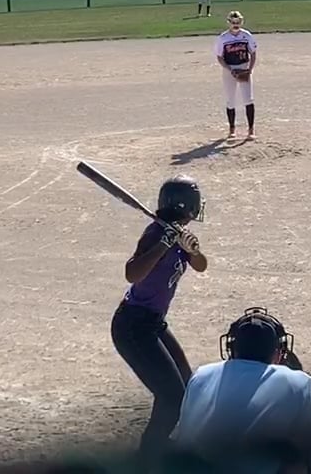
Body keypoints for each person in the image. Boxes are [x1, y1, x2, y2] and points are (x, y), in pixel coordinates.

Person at [111, 174, 209, 463]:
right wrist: (164, 243)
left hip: (153, 323)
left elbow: (201, 266)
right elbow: (132, 273)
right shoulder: (156, 234)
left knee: (187, 388)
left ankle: (165, 447)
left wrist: (193, 250)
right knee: (171, 396)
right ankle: (147, 457)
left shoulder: (178, 234)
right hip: (132, 326)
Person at [172, 306, 311, 474]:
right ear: (278, 354)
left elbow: (182, 439)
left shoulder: (201, 376)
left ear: (232, 350)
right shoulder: (300, 383)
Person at [215, 10, 259, 140]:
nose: (236, 25)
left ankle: (251, 130)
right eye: (233, 22)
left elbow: (253, 53)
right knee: (230, 99)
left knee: (248, 98)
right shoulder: (223, 38)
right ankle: (232, 129)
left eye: (238, 22)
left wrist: (249, 69)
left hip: (243, 67)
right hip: (229, 70)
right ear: (228, 22)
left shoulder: (247, 35)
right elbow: (219, 57)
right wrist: (229, 69)